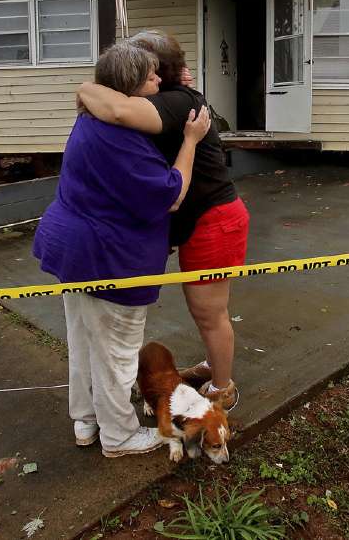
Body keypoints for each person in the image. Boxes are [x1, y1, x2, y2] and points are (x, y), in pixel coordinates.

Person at [34, 42, 211, 458]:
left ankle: (86, 421)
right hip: (107, 256)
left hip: (73, 249)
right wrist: (190, 140)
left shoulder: (93, 118)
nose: (159, 81)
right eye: (151, 76)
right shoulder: (120, 139)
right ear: (130, 84)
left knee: (84, 342)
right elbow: (169, 194)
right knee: (116, 352)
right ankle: (119, 436)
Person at [76, 30, 248, 411]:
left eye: (148, 67)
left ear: (161, 70)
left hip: (212, 219)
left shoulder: (173, 102)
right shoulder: (161, 97)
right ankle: (212, 365)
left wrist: (87, 85)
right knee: (204, 310)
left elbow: (116, 109)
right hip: (196, 218)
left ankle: (223, 387)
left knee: (209, 312)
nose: (143, 74)